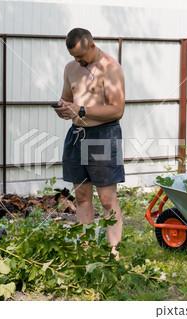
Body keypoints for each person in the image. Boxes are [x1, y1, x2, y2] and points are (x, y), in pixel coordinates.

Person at [54, 28, 125, 260]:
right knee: (82, 196)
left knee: (106, 199)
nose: (77, 61)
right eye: (74, 56)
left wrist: (82, 109)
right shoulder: (70, 68)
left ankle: (114, 253)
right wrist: (63, 108)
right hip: (77, 135)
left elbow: (117, 110)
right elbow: (67, 97)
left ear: (92, 46)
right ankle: (86, 250)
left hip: (103, 135)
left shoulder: (111, 68)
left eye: (81, 56)